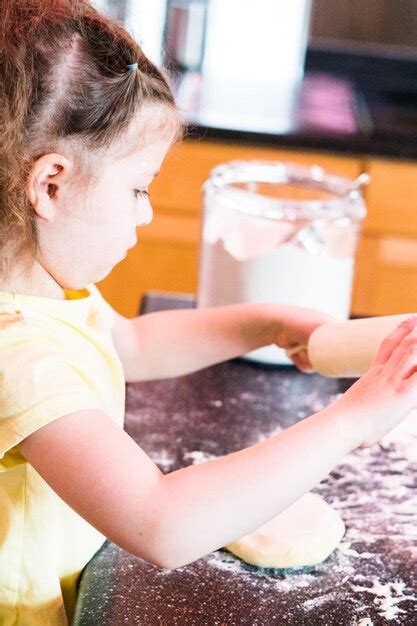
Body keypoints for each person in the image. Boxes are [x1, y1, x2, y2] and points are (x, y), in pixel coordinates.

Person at [0, 1, 416, 624]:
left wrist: (266, 322)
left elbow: (132, 344)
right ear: (51, 185)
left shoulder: (47, 288)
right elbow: (160, 521)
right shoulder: (17, 354)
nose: (145, 213)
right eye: (138, 188)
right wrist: (352, 420)